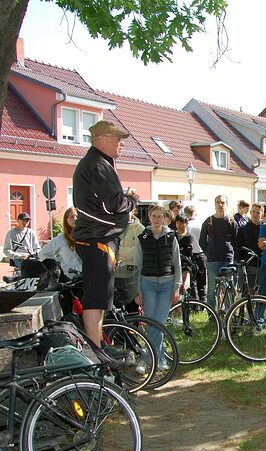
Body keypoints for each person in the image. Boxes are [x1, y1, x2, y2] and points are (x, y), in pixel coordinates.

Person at [72, 120, 137, 357]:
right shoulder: (98, 165)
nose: (121, 144)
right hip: (97, 239)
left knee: (99, 301)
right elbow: (114, 204)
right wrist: (131, 201)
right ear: (102, 139)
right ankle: (96, 353)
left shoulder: (96, 163)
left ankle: (99, 347)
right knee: (96, 301)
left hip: (97, 239)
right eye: (117, 139)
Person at [134, 205, 182, 374]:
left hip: (167, 285)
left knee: (159, 323)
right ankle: (159, 358)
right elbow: (137, 265)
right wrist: (137, 290)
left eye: (159, 216)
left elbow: (177, 263)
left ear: (164, 218)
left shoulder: (171, 237)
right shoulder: (142, 237)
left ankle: (147, 358)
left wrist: (177, 287)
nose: (156, 219)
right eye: (154, 216)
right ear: (149, 217)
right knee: (150, 323)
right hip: (147, 285)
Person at [199, 195, 239, 309]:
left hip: (227, 259)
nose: (220, 205)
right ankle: (212, 314)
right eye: (218, 202)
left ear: (226, 205)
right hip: (212, 260)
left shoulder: (232, 221)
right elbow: (202, 241)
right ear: (214, 204)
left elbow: (236, 242)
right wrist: (209, 251)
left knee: (228, 287)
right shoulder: (208, 221)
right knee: (211, 288)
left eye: (222, 202)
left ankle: (229, 312)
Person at [38, 207, 81, 279]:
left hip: (87, 276)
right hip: (71, 278)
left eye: (77, 216)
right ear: (66, 220)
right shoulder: (61, 239)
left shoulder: (86, 237)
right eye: (72, 217)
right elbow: (43, 254)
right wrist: (60, 264)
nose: (75, 219)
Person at [237, 203, 264, 292]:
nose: (255, 214)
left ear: (262, 215)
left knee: (260, 291)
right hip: (247, 264)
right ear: (250, 212)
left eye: (258, 213)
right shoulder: (243, 228)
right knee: (246, 292)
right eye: (254, 212)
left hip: (261, 264)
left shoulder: (265, 229)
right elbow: (238, 246)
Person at [184, 205, 207, 301]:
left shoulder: (187, 226)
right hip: (201, 253)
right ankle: (203, 301)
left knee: (193, 281)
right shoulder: (201, 223)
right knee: (202, 281)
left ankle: (195, 303)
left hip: (192, 254)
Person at [175, 213, 195, 290]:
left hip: (185, 266)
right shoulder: (173, 235)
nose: (179, 225)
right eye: (177, 223)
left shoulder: (189, 237)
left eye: (181, 223)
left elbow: (188, 252)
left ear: (186, 223)